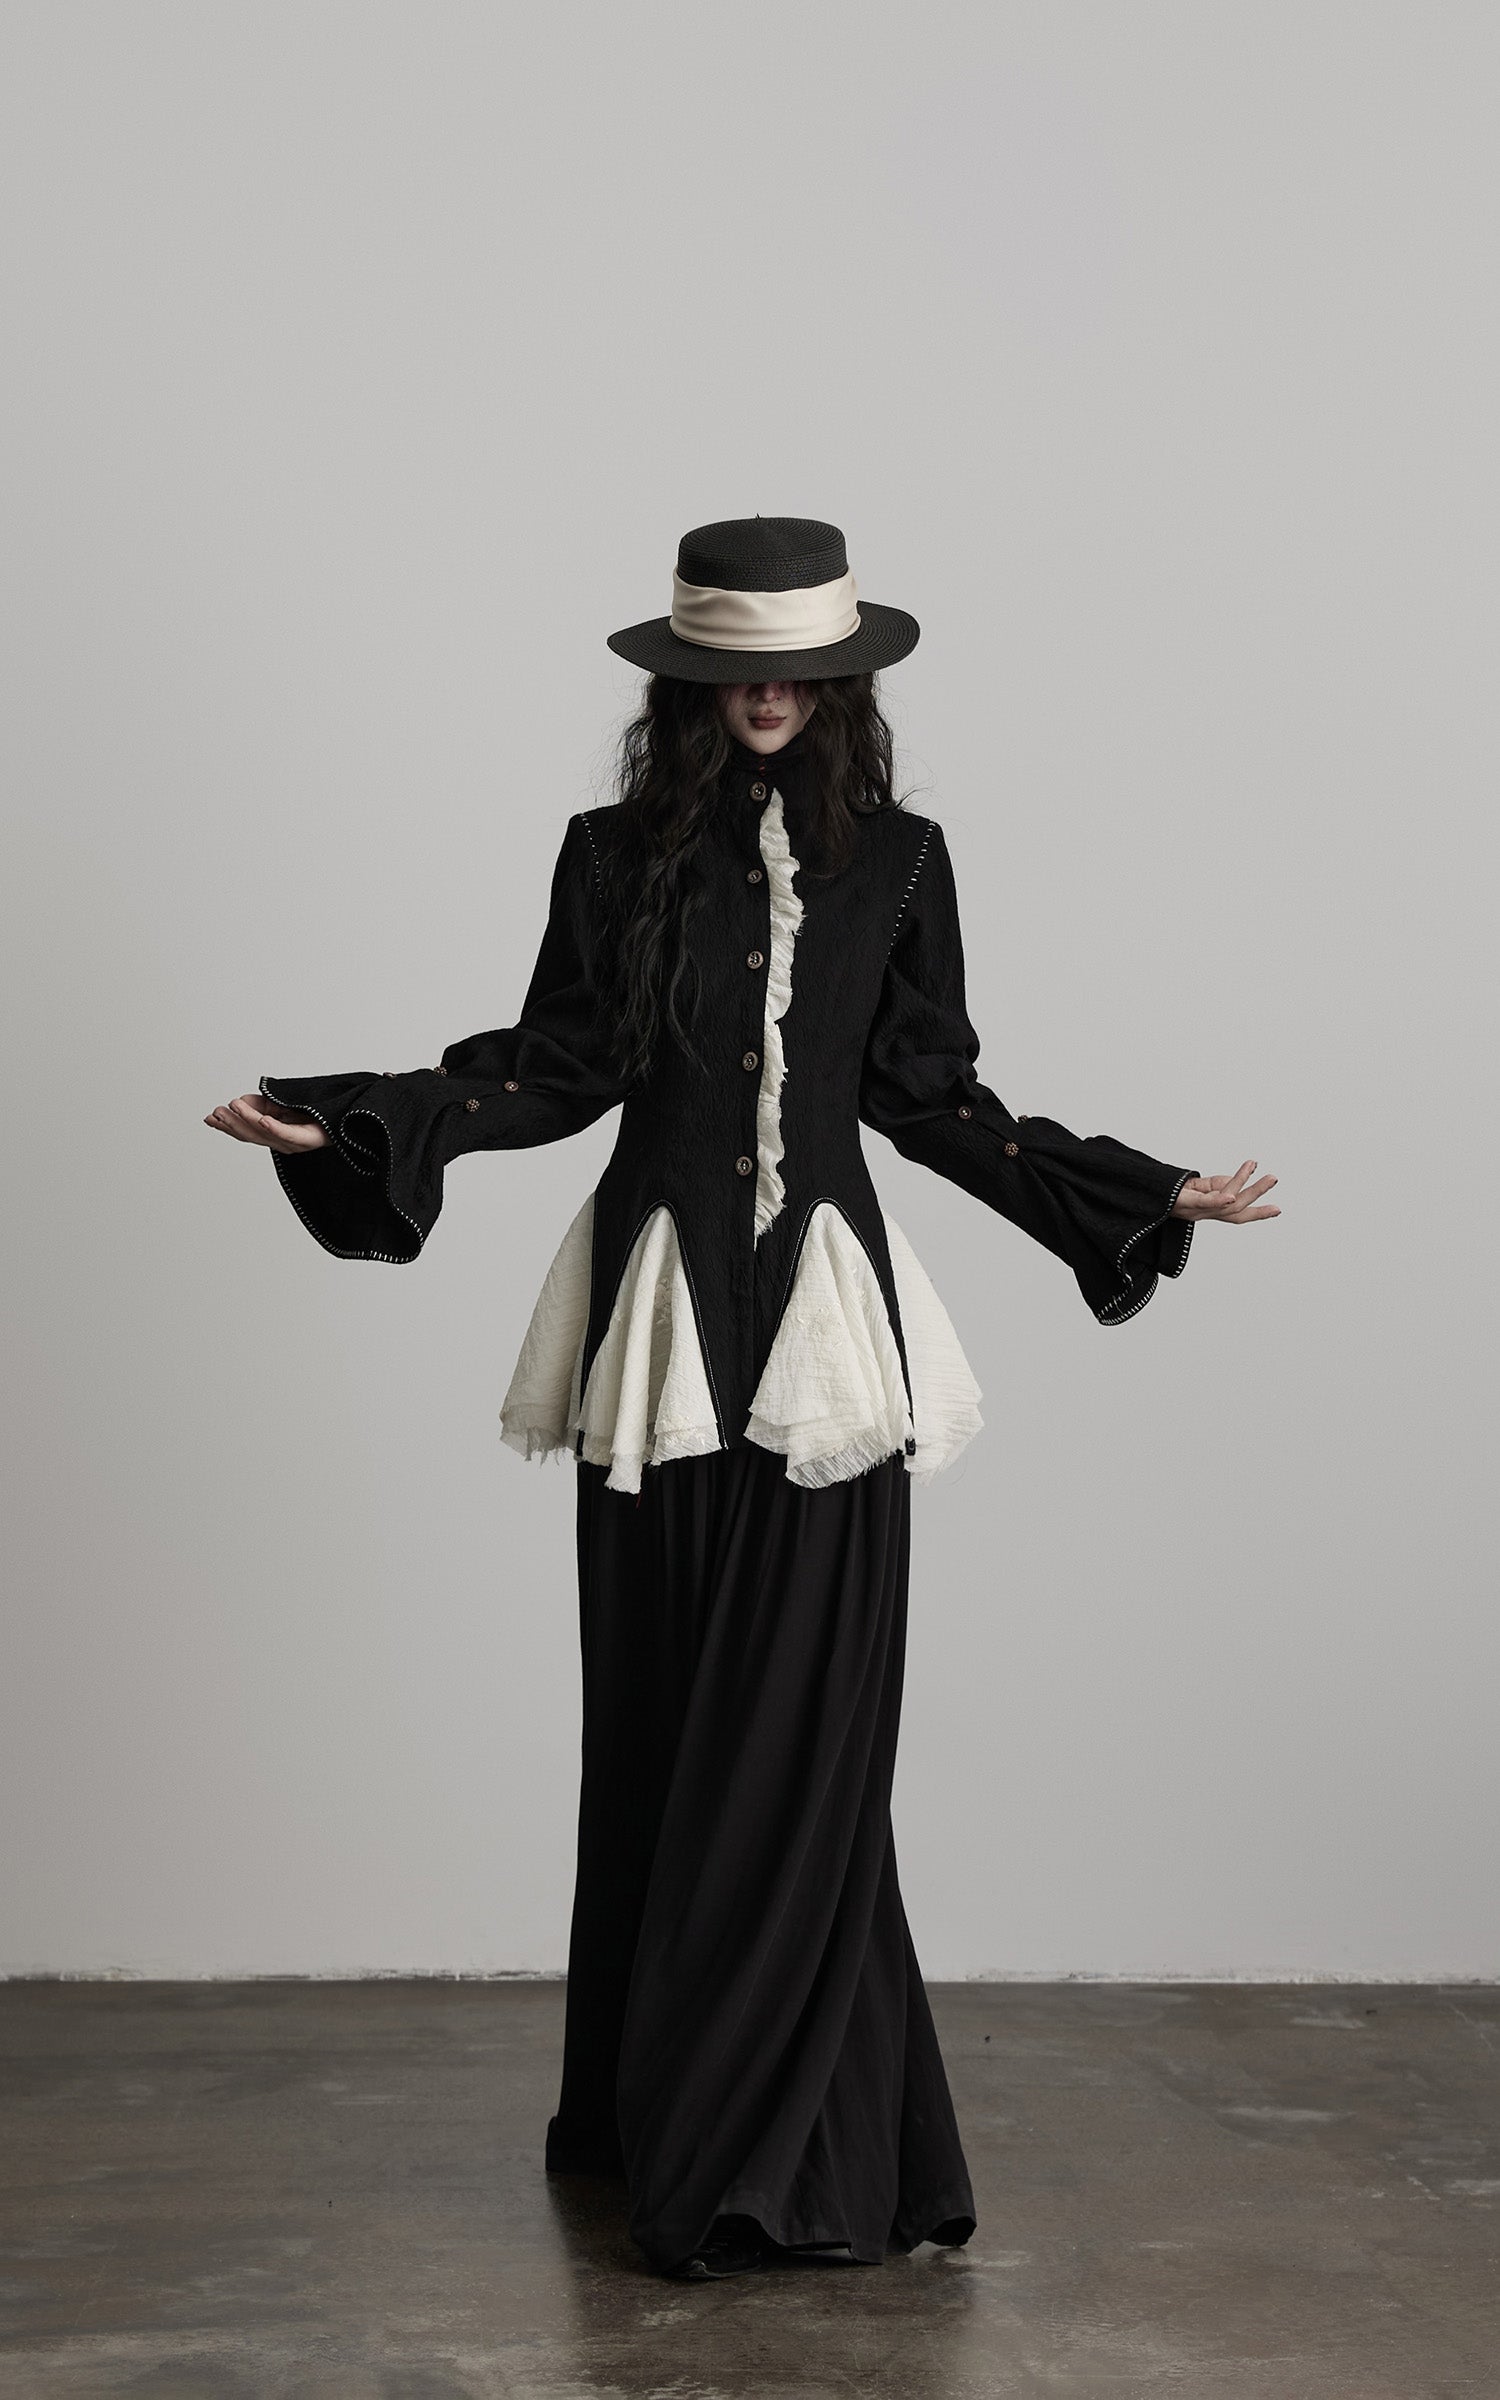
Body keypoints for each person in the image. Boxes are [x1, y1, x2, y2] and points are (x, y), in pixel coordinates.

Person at [205, 515, 1279, 2280]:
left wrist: (1139, 1191)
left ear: (841, 684)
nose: (768, 695)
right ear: (687, 687)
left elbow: (934, 1098)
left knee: (809, 1740)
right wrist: (358, 1121)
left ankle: (796, 2153)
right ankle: (662, 2128)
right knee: (659, 1726)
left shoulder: (906, 863)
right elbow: (554, 1068)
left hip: (827, 1345)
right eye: (734, 672)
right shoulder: (610, 857)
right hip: (660, 1331)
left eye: (797, 671)